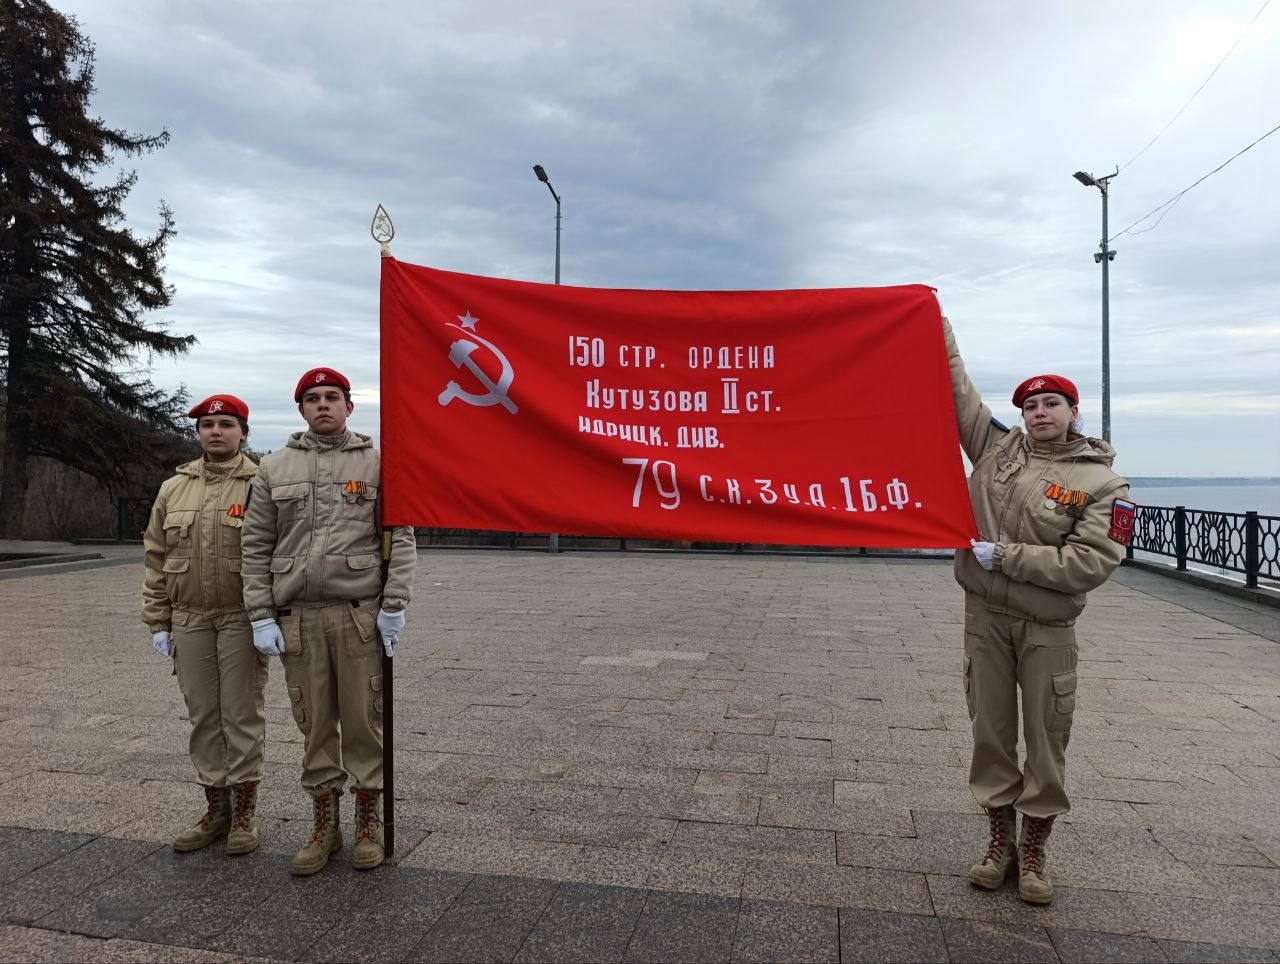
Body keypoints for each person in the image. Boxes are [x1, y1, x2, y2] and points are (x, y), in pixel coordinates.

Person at [944, 318, 1133, 905]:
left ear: (1073, 411)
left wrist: (1005, 556)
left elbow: (1089, 564)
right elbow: (956, 394)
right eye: (1029, 406)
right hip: (986, 621)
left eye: (1051, 403)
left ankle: (1035, 850)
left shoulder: (1104, 485)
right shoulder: (996, 448)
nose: (1038, 413)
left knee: (1046, 740)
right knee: (991, 735)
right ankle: (999, 842)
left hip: (1048, 629)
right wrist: (936, 327)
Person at [240, 367, 416, 875]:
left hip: (359, 617)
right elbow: (254, 545)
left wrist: (395, 604)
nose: (323, 405)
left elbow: (400, 536)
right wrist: (259, 615)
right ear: (300, 409)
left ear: (349, 406)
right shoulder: (273, 468)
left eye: (332, 397)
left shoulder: (380, 463)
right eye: (312, 398)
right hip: (299, 618)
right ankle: (324, 825)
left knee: (363, 720)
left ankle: (367, 822)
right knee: (314, 723)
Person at [142, 394, 266, 855]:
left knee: (241, 714)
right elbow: (156, 556)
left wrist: (268, 618)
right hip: (190, 618)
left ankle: (245, 813)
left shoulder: (260, 482)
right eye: (208, 424)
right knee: (203, 716)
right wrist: (159, 619)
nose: (216, 431)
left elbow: (273, 552)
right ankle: (216, 810)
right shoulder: (174, 488)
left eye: (226, 424)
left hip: (240, 617)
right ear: (197, 433)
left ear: (243, 432)